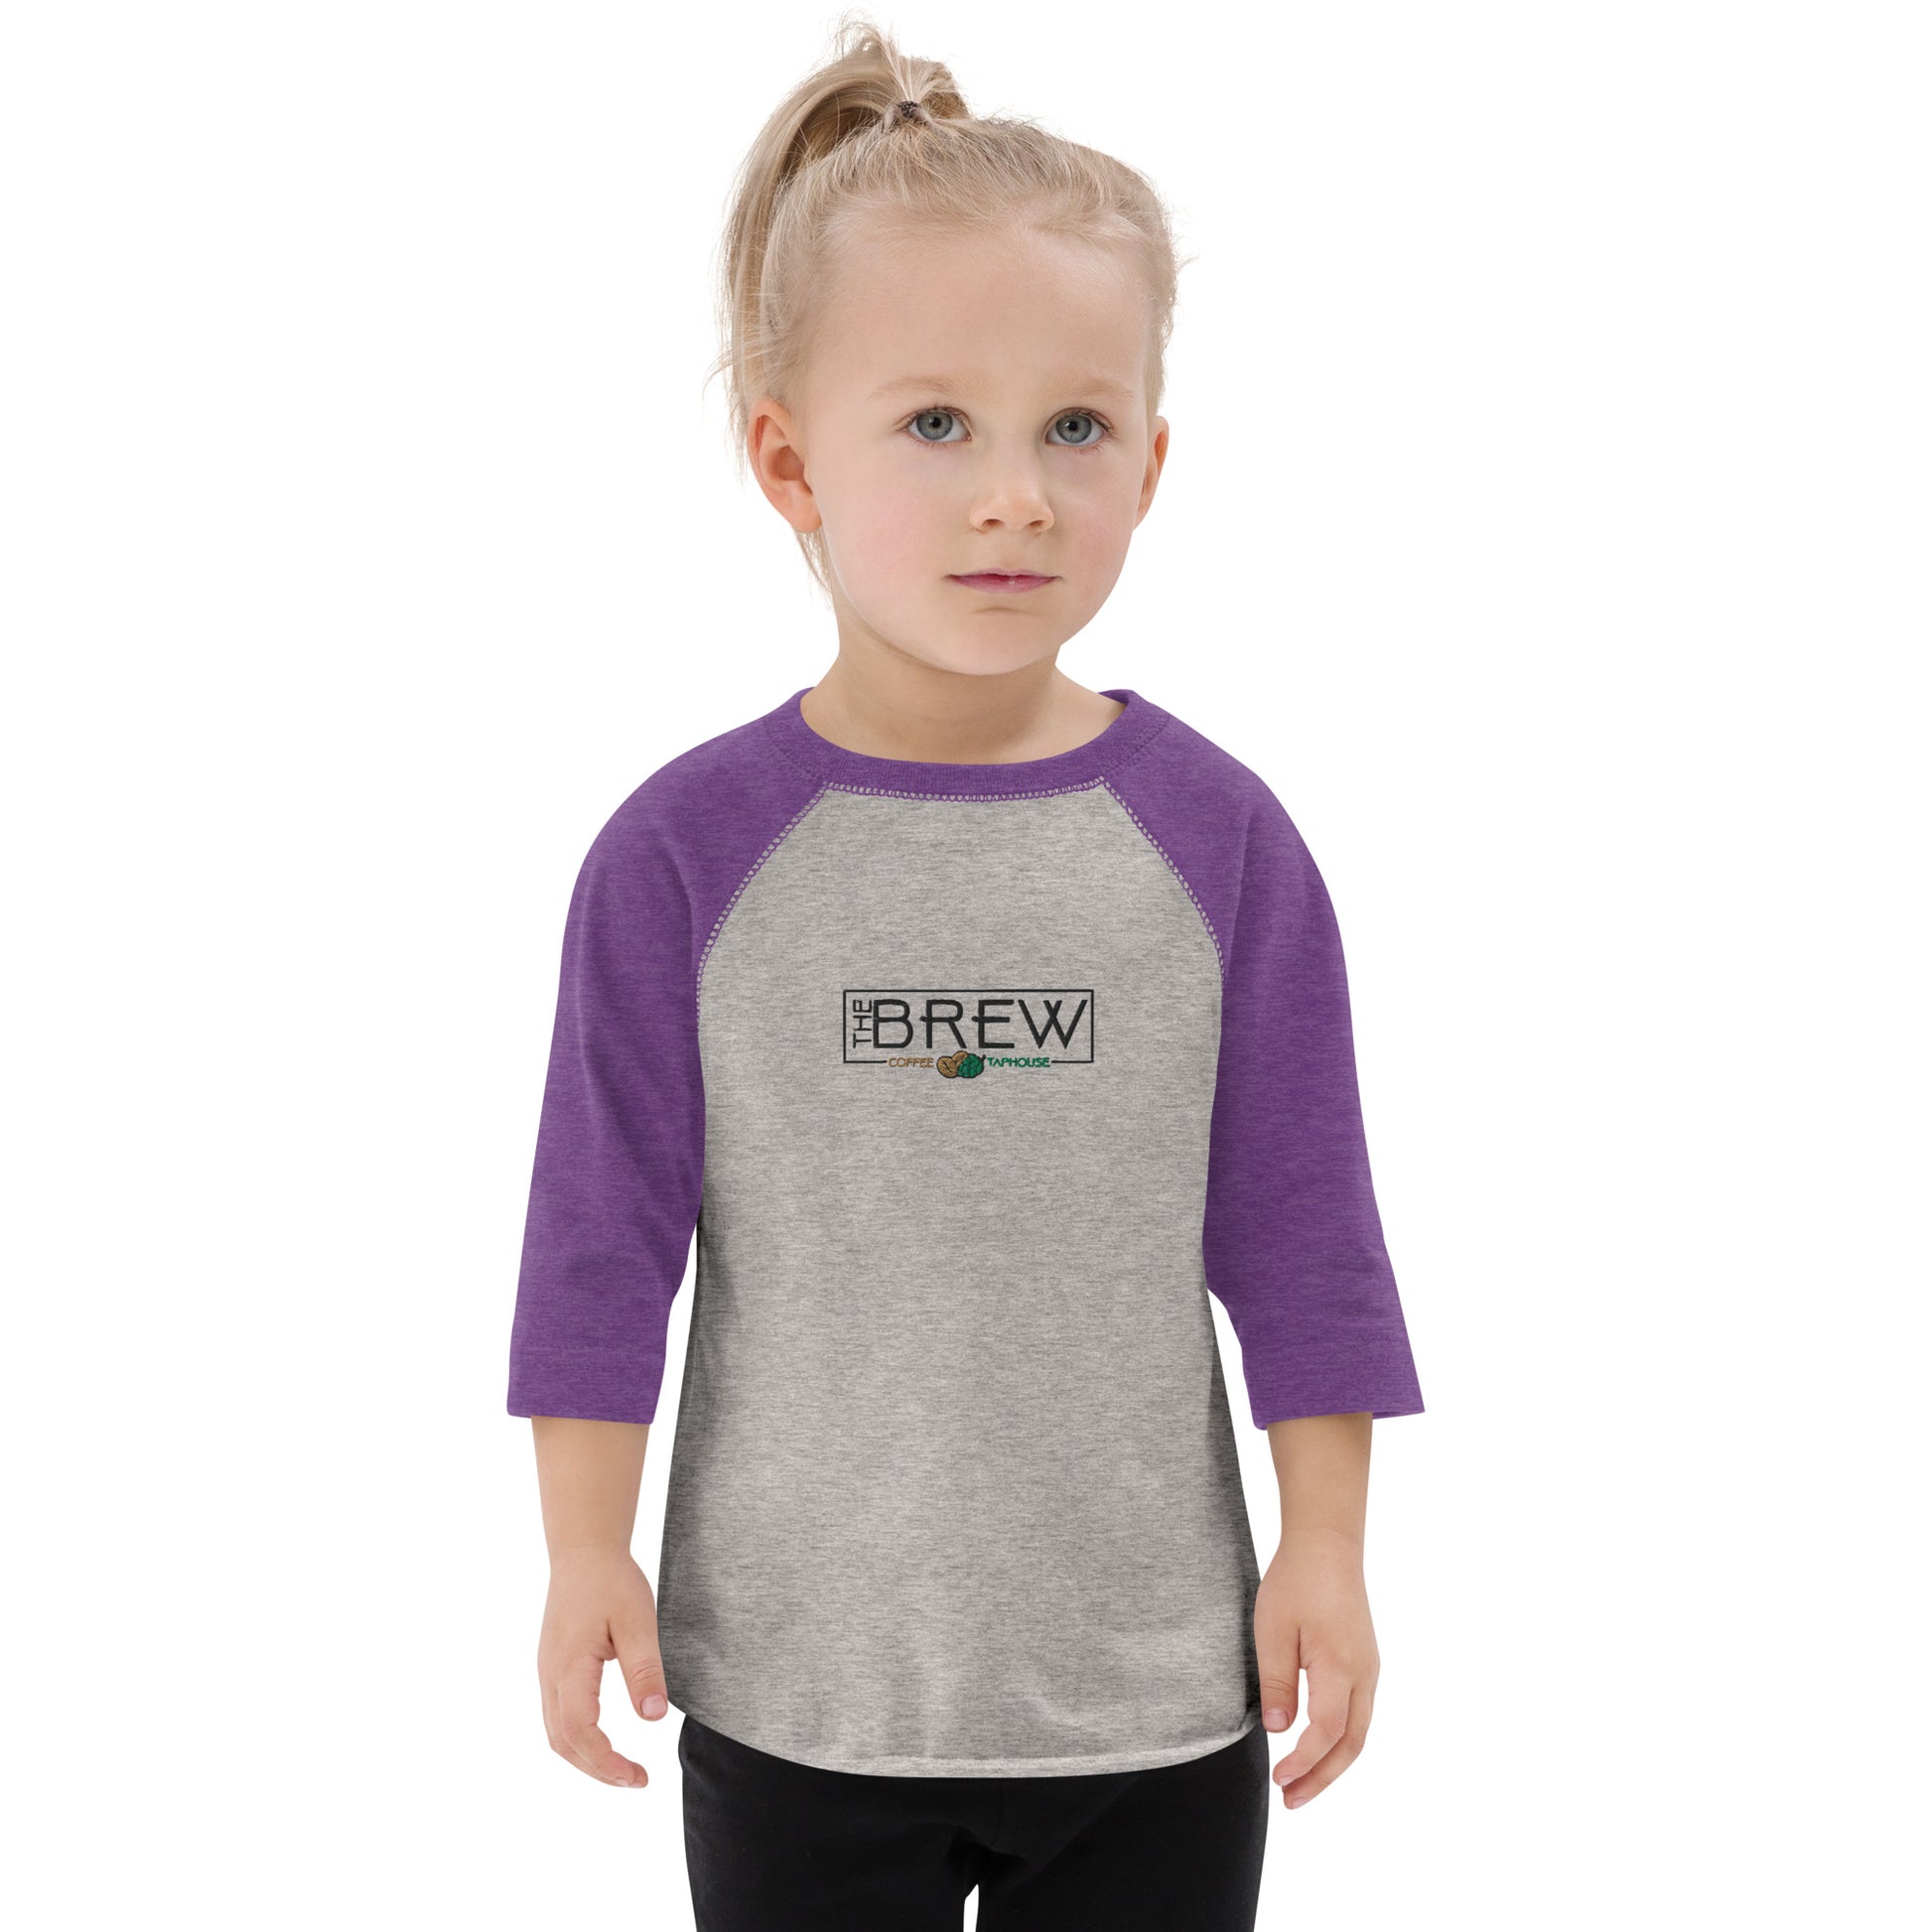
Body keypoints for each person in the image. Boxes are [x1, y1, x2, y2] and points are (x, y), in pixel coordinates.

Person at [506, 16, 1426, 1929]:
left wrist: (1325, 1543)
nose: (1015, 493)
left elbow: (1303, 1228)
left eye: (1072, 428)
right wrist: (583, 1547)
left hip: (1156, 1695)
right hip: (794, 1694)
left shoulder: (1220, 842)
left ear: (1150, 462)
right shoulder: (681, 856)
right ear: (788, 459)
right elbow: (599, 1241)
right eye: (936, 423)